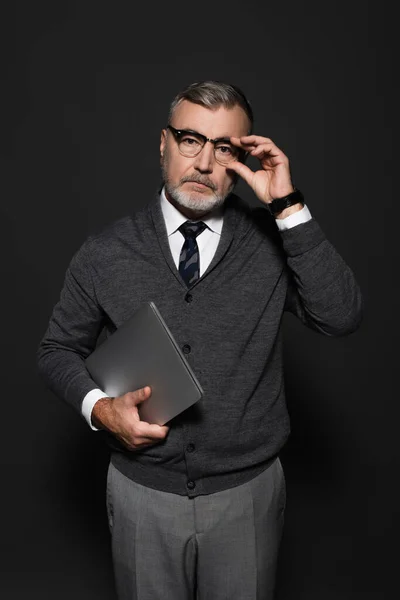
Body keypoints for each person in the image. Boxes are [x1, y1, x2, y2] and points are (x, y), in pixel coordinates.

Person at [36, 80, 363, 600]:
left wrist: (288, 207)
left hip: (247, 495)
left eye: (225, 148)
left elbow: (341, 315)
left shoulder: (270, 243)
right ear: (164, 143)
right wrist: (101, 410)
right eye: (191, 140)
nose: (205, 162)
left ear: (241, 160)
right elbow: (56, 350)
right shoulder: (104, 252)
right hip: (142, 492)